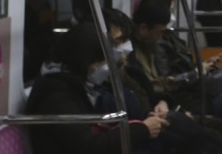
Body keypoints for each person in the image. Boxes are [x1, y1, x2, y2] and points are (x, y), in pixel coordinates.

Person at [128, 0, 222, 154]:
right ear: (143, 29)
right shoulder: (140, 54)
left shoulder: (155, 44)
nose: (161, 36)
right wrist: (198, 71)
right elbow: (162, 85)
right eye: (159, 32)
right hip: (182, 97)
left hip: (177, 96)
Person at [26, 23, 166, 154]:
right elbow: (89, 146)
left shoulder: (75, 86)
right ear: (85, 60)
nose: (104, 67)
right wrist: (142, 129)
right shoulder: (56, 97)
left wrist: (140, 123)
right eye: (101, 61)